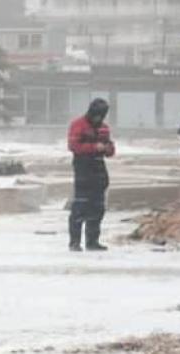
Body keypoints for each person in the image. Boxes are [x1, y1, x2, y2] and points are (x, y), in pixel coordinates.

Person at [68, 97, 116, 252]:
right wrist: (94, 147)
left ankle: (92, 241)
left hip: (99, 169)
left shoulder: (104, 128)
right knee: (80, 206)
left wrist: (108, 148)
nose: (98, 118)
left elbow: (110, 150)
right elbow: (73, 146)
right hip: (83, 168)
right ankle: (75, 242)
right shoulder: (78, 125)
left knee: (98, 208)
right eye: (96, 115)